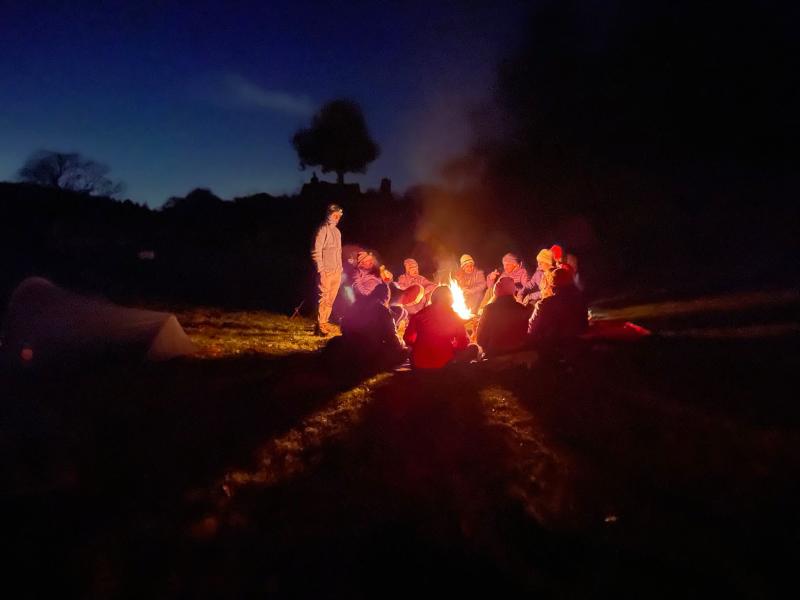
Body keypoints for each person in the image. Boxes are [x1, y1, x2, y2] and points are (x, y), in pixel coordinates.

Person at [337, 283, 407, 369]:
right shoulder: (383, 310)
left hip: (349, 346)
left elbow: (344, 323)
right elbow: (392, 338)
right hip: (368, 351)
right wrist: (402, 343)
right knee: (404, 352)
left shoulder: (357, 303)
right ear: (387, 297)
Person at [403, 286, 470, 370]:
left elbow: (408, 338)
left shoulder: (419, 314)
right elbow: (462, 342)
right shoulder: (454, 316)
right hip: (443, 361)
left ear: (433, 297)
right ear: (451, 299)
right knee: (473, 349)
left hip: (419, 361)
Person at [527, 267, 588, 343]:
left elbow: (532, 330)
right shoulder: (580, 300)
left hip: (553, 346)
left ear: (552, 286)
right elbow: (584, 324)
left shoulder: (544, 304)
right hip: (578, 344)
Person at [476, 277, 532, 358]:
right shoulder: (522, 309)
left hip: (494, 354)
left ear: (496, 291)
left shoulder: (489, 309)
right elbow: (524, 334)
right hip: (517, 352)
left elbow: (480, 339)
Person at [311, 203, 343, 336]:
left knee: (331, 298)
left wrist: (340, 268)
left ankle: (324, 322)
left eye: (339, 216)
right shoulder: (322, 230)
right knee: (323, 298)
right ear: (329, 215)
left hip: (336, 271)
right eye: (334, 215)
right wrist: (321, 270)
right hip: (326, 271)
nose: (337, 218)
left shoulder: (337, 232)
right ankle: (320, 325)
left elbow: (338, 251)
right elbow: (315, 251)